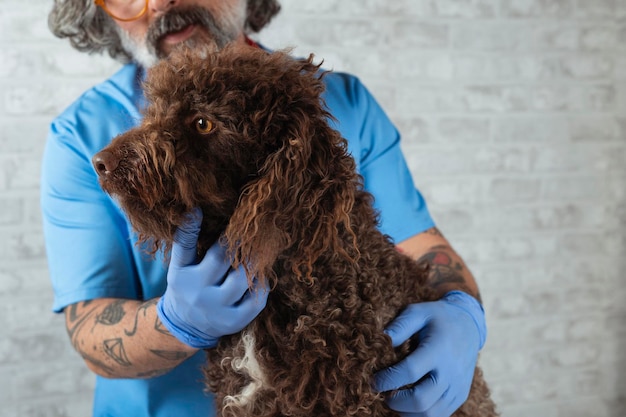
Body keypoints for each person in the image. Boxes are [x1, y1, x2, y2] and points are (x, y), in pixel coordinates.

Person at [41, 1, 488, 416]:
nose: (160, 2)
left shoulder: (338, 102)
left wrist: (462, 315)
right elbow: (88, 329)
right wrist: (176, 322)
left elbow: (425, 247)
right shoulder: (80, 135)